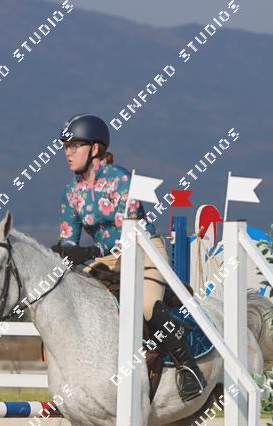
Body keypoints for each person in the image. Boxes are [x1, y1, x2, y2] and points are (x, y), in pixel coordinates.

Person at [52, 113, 205, 401]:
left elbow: (129, 232)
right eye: (66, 147)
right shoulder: (70, 193)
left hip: (144, 249)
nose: (67, 153)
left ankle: (188, 366)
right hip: (108, 259)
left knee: (146, 305)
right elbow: (69, 239)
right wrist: (62, 251)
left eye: (74, 146)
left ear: (94, 148)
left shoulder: (121, 180)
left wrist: (91, 251)